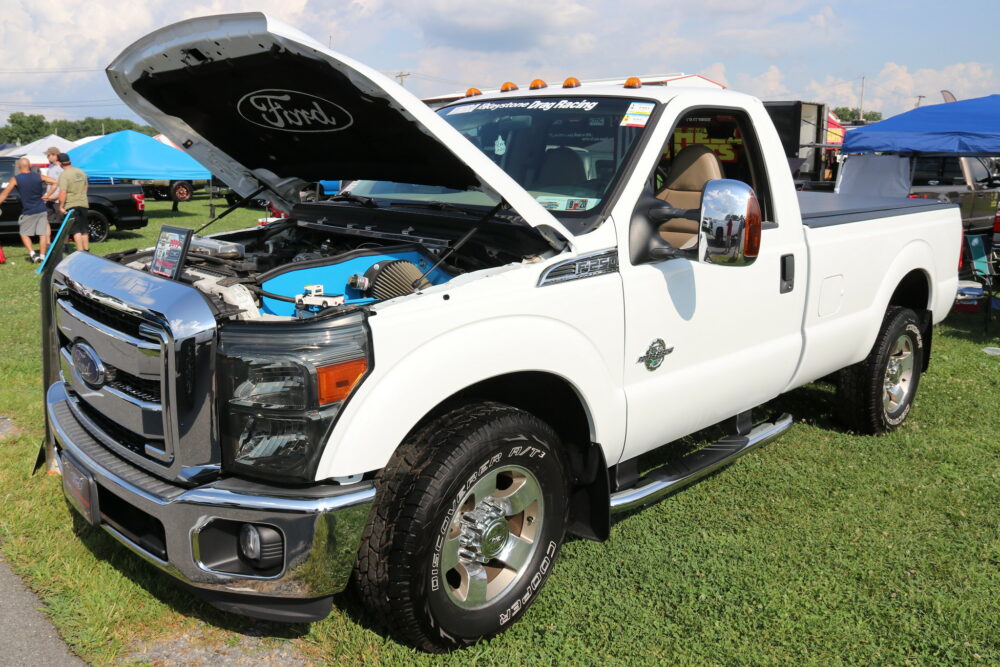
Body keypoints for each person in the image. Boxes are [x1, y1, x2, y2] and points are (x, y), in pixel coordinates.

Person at [0, 157, 57, 262]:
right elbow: (55, 182)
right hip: (41, 209)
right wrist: (47, 195)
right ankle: (43, 256)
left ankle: (33, 255)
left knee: (23, 233)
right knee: (42, 234)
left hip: (29, 211)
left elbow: (5, 193)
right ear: (30, 166)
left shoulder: (16, 179)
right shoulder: (38, 176)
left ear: (19, 166)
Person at [55, 153, 90, 251]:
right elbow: (85, 186)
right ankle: (87, 250)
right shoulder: (81, 172)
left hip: (71, 205)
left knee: (76, 230)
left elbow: (63, 192)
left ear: (59, 163)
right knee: (84, 229)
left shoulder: (64, 175)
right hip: (83, 203)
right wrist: (82, 196)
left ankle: (80, 252)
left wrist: (61, 206)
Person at [41, 146, 64, 228]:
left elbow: (62, 184)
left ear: (55, 155)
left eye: (49, 155)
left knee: (60, 222)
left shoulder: (61, 168)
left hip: (58, 200)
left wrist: (57, 196)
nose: (47, 157)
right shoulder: (50, 167)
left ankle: (62, 240)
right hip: (49, 198)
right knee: (49, 221)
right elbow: (50, 183)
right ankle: (51, 239)